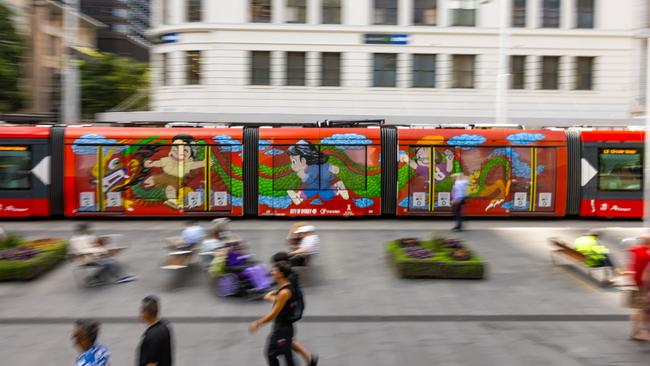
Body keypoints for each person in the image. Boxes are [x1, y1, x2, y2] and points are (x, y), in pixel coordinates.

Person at [271, 253, 318, 366]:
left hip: (288, 315)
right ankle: (309, 358)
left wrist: (271, 297)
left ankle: (308, 359)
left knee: (282, 343)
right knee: (286, 340)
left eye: (276, 266)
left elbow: (286, 297)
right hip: (290, 313)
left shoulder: (290, 278)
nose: (274, 268)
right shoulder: (290, 274)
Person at [249, 262, 301, 366]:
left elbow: (273, 313)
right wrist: (271, 296)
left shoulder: (284, 292)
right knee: (285, 356)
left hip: (282, 330)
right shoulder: (286, 286)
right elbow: (284, 303)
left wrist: (258, 323)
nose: (271, 272)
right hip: (283, 328)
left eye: (274, 270)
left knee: (272, 353)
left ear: (281, 274)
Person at [69, 223, 136, 285]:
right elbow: (83, 251)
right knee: (110, 261)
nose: (90, 230)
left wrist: (104, 250)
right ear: (83, 230)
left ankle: (94, 279)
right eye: (88, 229)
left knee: (108, 260)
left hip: (90, 257)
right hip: (85, 259)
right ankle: (121, 278)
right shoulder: (79, 239)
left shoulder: (86, 237)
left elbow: (94, 246)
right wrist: (102, 252)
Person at [627, 234, 650, 341]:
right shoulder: (647, 254)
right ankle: (637, 333)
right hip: (642, 285)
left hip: (634, 282)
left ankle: (638, 332)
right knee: (641, 309)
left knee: (639, 309)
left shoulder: (635, 251)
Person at [138, 295, 173, 366]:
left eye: (141, 310)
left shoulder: (152, 337)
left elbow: (151, 364)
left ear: (146, 313)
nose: (139, 312)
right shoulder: (164, 326)